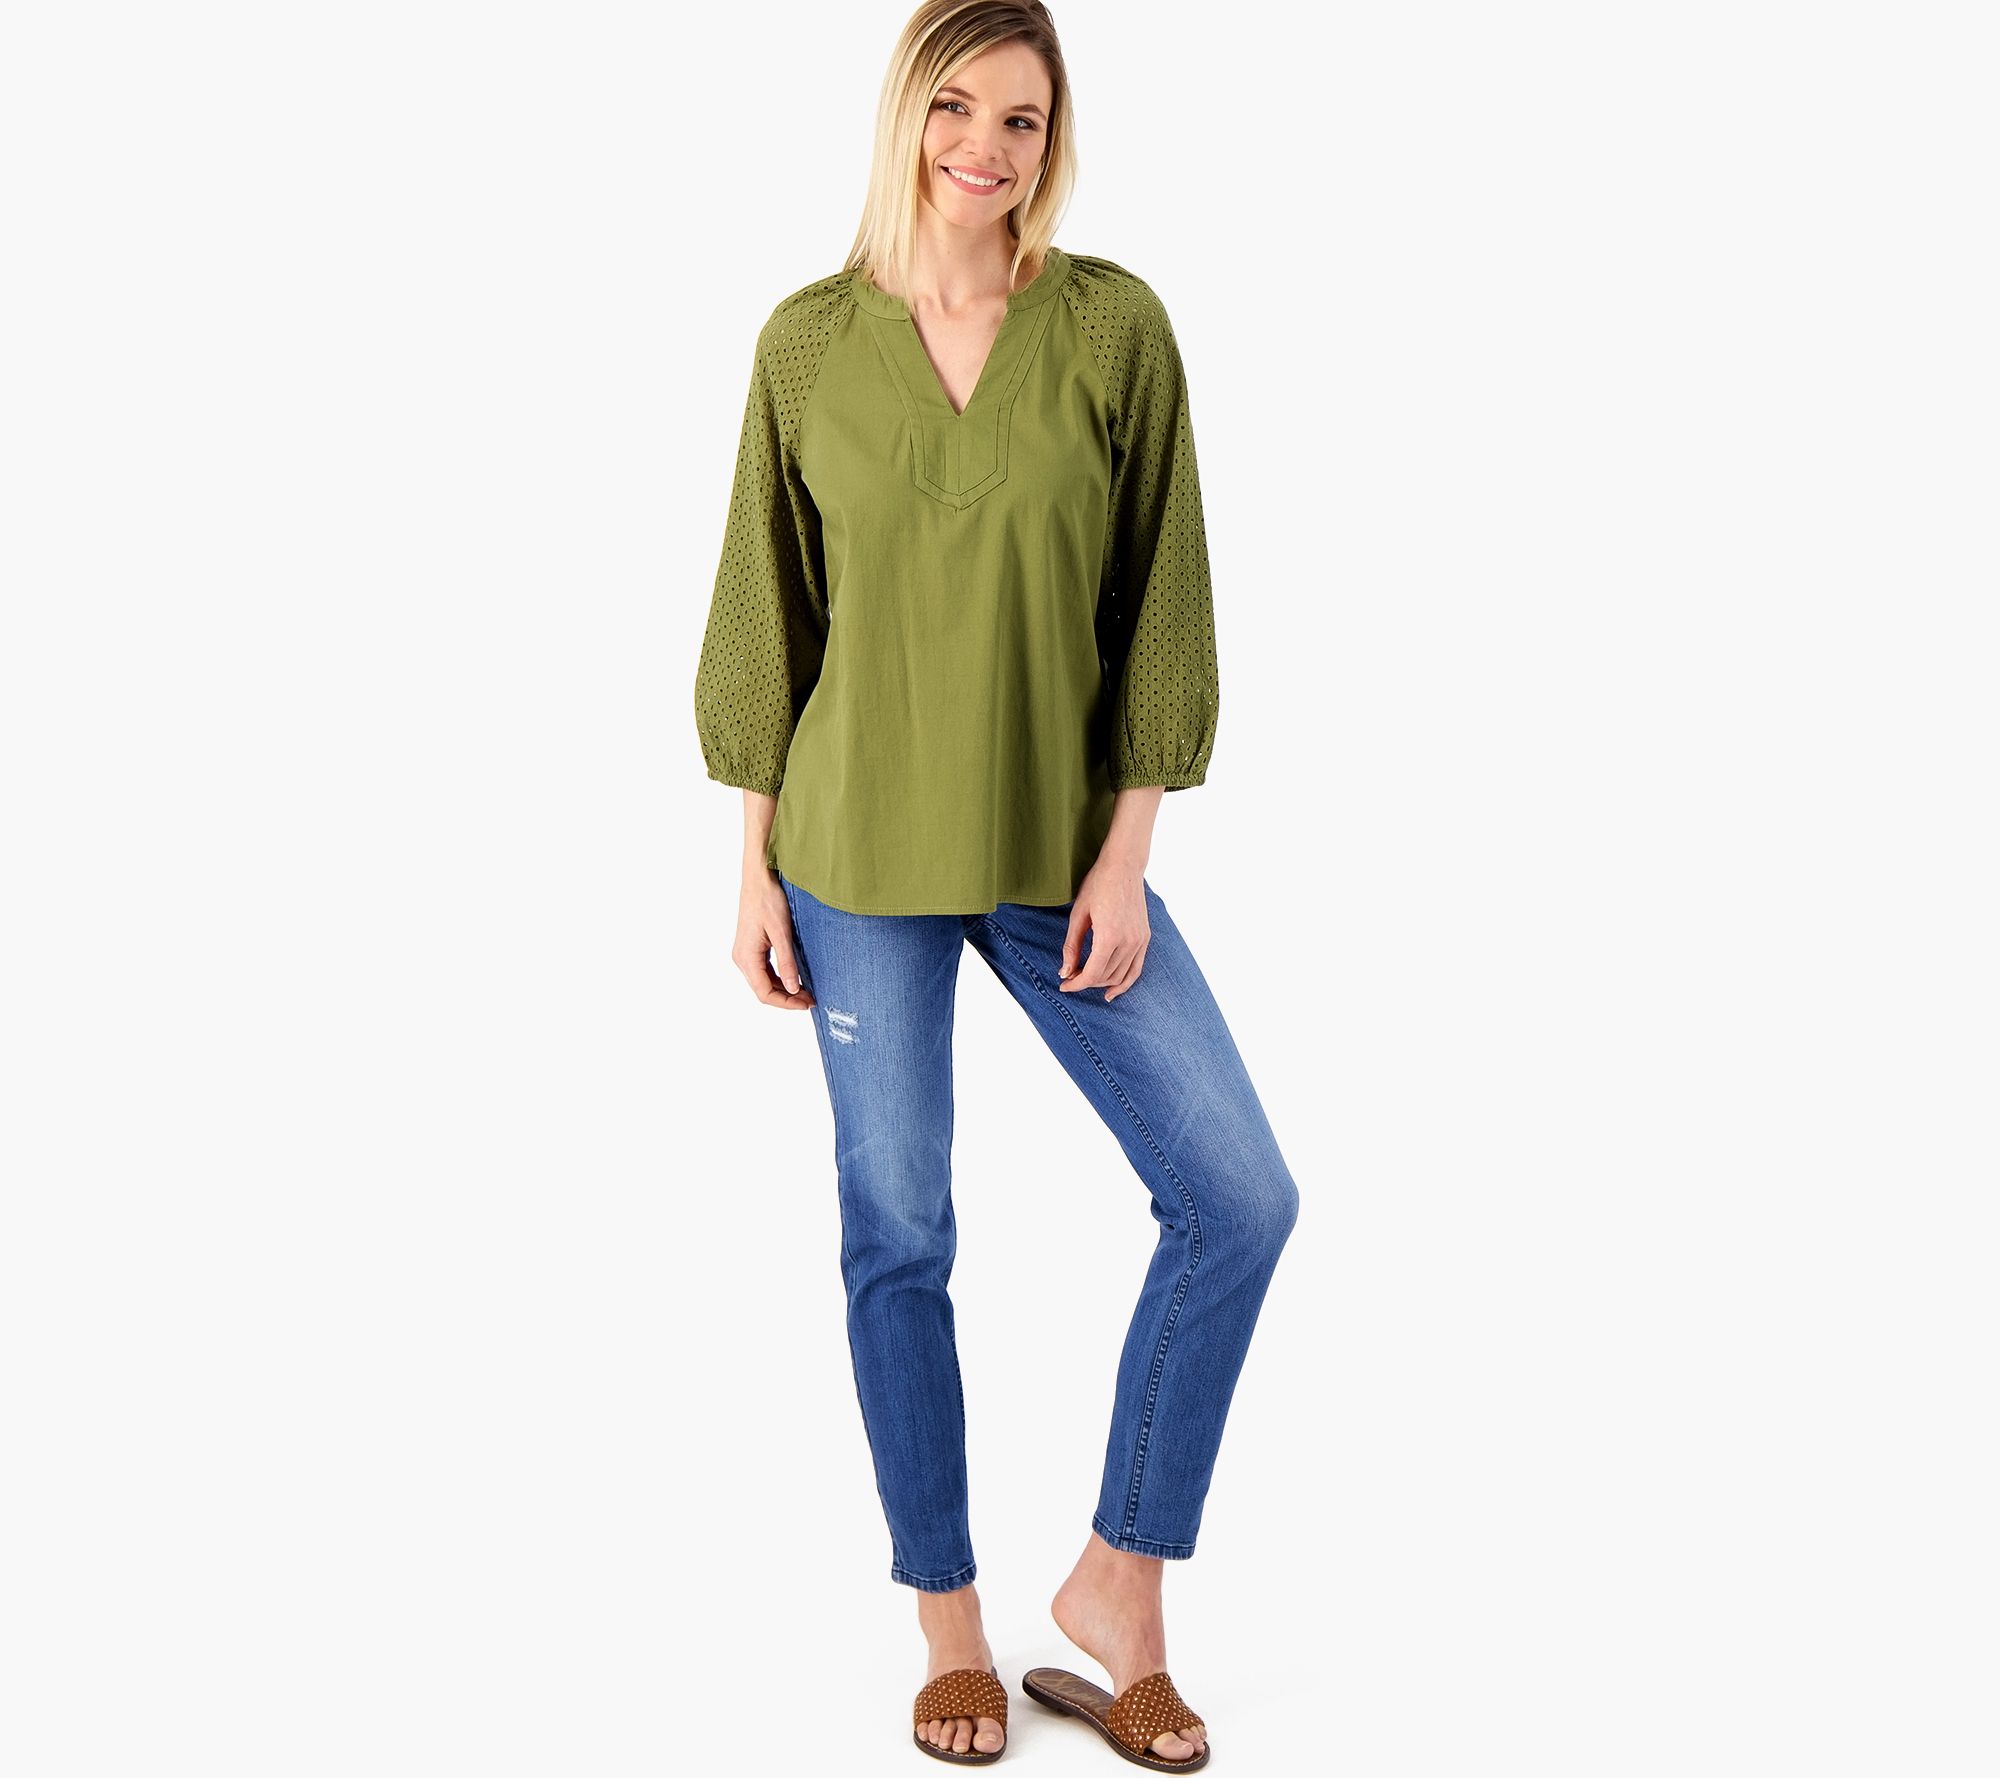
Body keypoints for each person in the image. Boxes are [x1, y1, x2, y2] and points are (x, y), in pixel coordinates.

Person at [693, 2, 1298, 1766]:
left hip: (1058, 849)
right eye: (955, 107)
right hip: (855, 848)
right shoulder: (808, 345)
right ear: (907, 117)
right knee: (900, 1230)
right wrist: (752, 867)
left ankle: (1121, 1584)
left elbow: (1163, 598)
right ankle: (948, 1621)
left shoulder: (1112, 331)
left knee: (1240, 1197)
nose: (986, 146)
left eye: (1022, 118)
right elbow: (765, 616)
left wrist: (1129, 850)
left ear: (1055, 139)